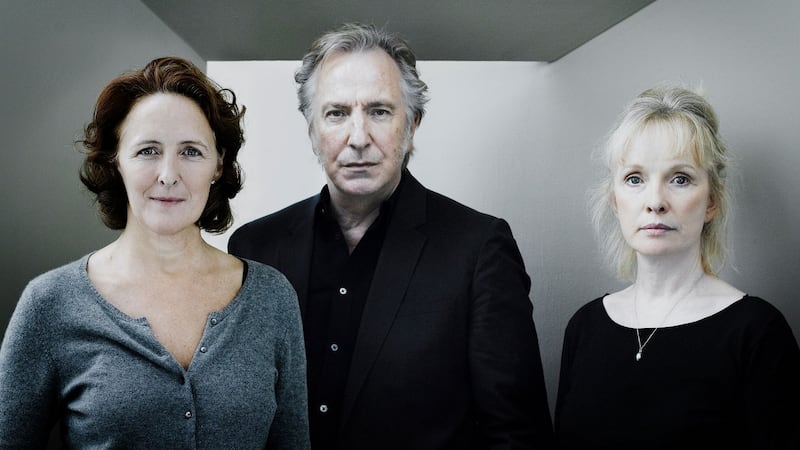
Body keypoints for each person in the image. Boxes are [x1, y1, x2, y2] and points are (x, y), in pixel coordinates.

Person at [228, 23, 554, 449]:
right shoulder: (255, 248)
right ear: (311, 129)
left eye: (380, 111)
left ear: (413, 124)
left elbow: (517, 436)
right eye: (336, 113)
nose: (358, 138)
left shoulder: (479, 249)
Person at [0, 57, 310, 449]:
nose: (168, 174)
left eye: (191, 152)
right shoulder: (50, 304)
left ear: (218, 164)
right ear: (116, 163)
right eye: (148, 150)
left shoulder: (272, 297)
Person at [555, 86, 800, 449]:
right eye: (635, 179)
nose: (655, 201)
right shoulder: (584, 327)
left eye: (680, 178)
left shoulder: (757, 332)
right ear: (615, 200)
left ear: (712, 201)